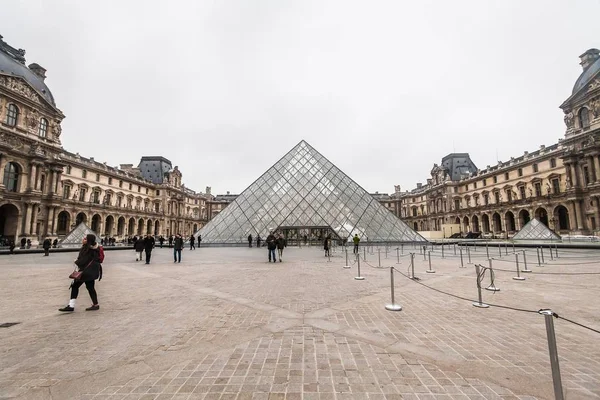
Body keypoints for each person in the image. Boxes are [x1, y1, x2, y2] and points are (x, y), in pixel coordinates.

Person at [59, 234, 102, 312]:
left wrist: (76, 261)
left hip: (85, 272)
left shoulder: (87, 249)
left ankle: (71, 306)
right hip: (90, 272)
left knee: (75, 286)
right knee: (90, 288)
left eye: (85, 239)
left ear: (88, 240)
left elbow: (83, 261)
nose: (83, 239)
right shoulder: (95, 249)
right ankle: (95, 304)